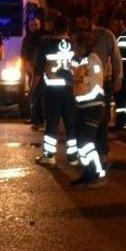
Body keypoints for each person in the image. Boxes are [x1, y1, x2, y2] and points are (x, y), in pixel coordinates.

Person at [73, 11, 122, 167]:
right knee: (83, 123)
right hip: (82, 85)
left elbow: (116, 58)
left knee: (101, 121)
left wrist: (117, 79)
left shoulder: (105, 36)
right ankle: (89, 156)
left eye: (82, 19)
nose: (80, 23)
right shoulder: (77, 38)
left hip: (101, 84)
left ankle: (101, 154)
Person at [35, 14, 78, 167]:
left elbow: (39, 69)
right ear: (68, 28)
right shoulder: (74, 45)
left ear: (54, 28)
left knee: (51, 123)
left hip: (52, 90)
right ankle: (73, 157)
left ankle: (49, 156)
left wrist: (34, 89)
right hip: (70, 90)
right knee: (71, 124)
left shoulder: (46, 45)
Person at [70, 30, 107, 187]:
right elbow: (78, 81)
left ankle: (98, 174)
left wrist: (82, 98)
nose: (73, 47)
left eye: (75, 44)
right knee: (81, 143)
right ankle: (87, 173)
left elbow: (96, 84)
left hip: (93, 107)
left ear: (83, 45)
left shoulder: (93, 60)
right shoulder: (78, 60)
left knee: (87, 143)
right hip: (81, 106)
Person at [22, 9, 49, 127]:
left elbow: (38, 55)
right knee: (33, 95)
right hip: (30, 70)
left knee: (37, 94)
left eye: (35, 25)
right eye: (31, 25)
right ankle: (34, 117)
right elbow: (24, 54)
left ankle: (38, 119)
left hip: (39, 70)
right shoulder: (28, 38)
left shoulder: (41, 38)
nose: (33, 27)